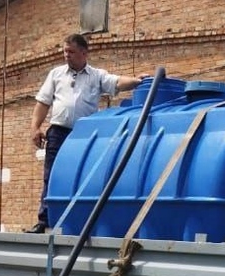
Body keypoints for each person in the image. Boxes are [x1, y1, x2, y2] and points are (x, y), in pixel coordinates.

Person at [28, 33, 146, 233]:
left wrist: (136, 81)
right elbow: (43, 102)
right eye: (65, 51)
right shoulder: (56, 74)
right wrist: (35, 127)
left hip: (85, 135)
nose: (67, 55)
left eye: (71, 51)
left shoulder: (96, 76)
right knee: (52, 176)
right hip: (58, 132)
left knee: (84, 176)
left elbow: (116, 82)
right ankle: (45, 220)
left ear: (84, 53)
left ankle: (80, 220)